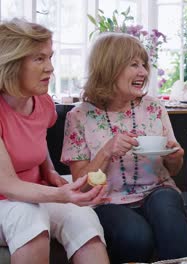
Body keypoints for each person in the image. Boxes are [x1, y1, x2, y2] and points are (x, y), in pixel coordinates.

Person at [61, 32, 187, 263]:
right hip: (107, 201)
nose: (143, 71)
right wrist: (106, 151)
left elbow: (172, 170)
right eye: (133, 64)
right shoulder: (79, 116)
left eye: (143, 64)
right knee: (136, 236)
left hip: (156, 190)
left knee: (168, 212)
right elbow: (80, 187)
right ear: (109, 68)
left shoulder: (154, 108)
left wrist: (175, 158)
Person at [0, 19, 109, 264]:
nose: (50, 68)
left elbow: (36, 142)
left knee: (82, 218)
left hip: (34, 193)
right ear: (12, 62)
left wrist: (48, 169)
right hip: (6, 199)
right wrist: (62, 194)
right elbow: (6, 185)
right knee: (28, 216)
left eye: (50, 57)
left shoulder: (43, 102)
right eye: (39, 58)